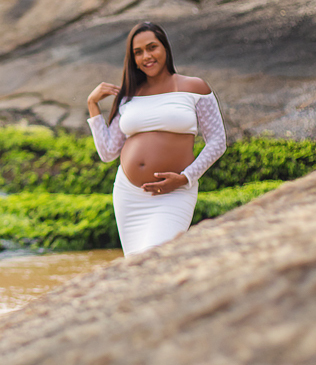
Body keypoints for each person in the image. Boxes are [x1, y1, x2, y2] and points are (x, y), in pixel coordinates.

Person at [86, 22, 227, 255]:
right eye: (138, 52)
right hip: (129, 195)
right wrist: (92, 105)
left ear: (165, 48)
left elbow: (217, 142)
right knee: (137, 266)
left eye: (152, 47)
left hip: (174, 194)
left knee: (156, 256)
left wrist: (185, 178)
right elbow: (108, 152)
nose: (146, 56)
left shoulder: (195, 87)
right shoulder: (129, 96)